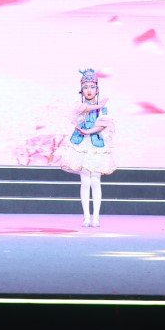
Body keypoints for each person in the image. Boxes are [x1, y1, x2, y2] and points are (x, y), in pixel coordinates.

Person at [56, 68, 115, 227]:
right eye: (86, 87)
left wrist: (89, 131)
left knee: (95, 181)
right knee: (85, 182)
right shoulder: (79, 105)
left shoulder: (103, 109)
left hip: (96, 145)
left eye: (92, 87)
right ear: (81, 90)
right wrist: (98, 106)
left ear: (97, 89)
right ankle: (86, 217)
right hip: (81, 144)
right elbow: (83, 109)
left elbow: (103, 125)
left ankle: (96, 217)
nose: (89, 90)